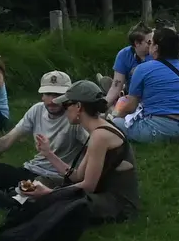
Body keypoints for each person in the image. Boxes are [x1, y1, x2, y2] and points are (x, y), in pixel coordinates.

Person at [13, 80, 139, 224]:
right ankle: (16, 201)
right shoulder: (97, 130)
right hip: (100, 193)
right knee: (43, 181)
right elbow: (78, 176)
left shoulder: (100, 136)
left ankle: (15, 204)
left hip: (117, 204)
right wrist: (49, 154)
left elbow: (88, 186)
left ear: (78, 106)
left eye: (66, 105)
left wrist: (49, 194)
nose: (64, 110)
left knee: (58, 201)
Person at [0, 70, 83, 196]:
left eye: (57, 95)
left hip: (56, 177)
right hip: (31, 170)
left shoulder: (76, 117)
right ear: (42, 95)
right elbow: (6, 141)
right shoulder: (37, 109)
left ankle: (7, 196)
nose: (52, 101)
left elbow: (93, 150)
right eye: (48, 94)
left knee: (21, 198)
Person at [125, 28, 179, 144]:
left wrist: (115, 113)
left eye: (150, 43)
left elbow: (131, 106)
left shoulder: (142, 69)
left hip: (159, 128)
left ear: (156, 47)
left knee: (118, 123)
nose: (149, 46)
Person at [105, 28, 150, 106]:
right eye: (149, 42)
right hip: (133, 96)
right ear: (137, 43)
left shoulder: (158, 53)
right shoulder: (124, 55)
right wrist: (102, 108)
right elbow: (116, 86)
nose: (154, 44)